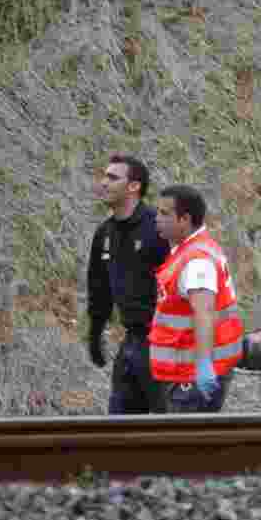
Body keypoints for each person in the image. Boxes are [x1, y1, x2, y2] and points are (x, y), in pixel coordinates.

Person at [149, 185, 244, 412]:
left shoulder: (196, 260)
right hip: (186, 372)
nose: (157, 219)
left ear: (185, 219)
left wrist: (203, 365)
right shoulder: (192, 250)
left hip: (191, 377)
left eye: (164, 213)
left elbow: (204, 312)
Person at [86, 154, 170, 414]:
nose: (104, 183)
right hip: (132, 340)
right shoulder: (105, 233)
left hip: (164, 343)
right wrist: (95, 332)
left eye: (113, 177)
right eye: (104, 176)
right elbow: (99, 288)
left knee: (169, 425)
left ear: (134, 186)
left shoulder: (158, 227)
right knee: (120, 426)